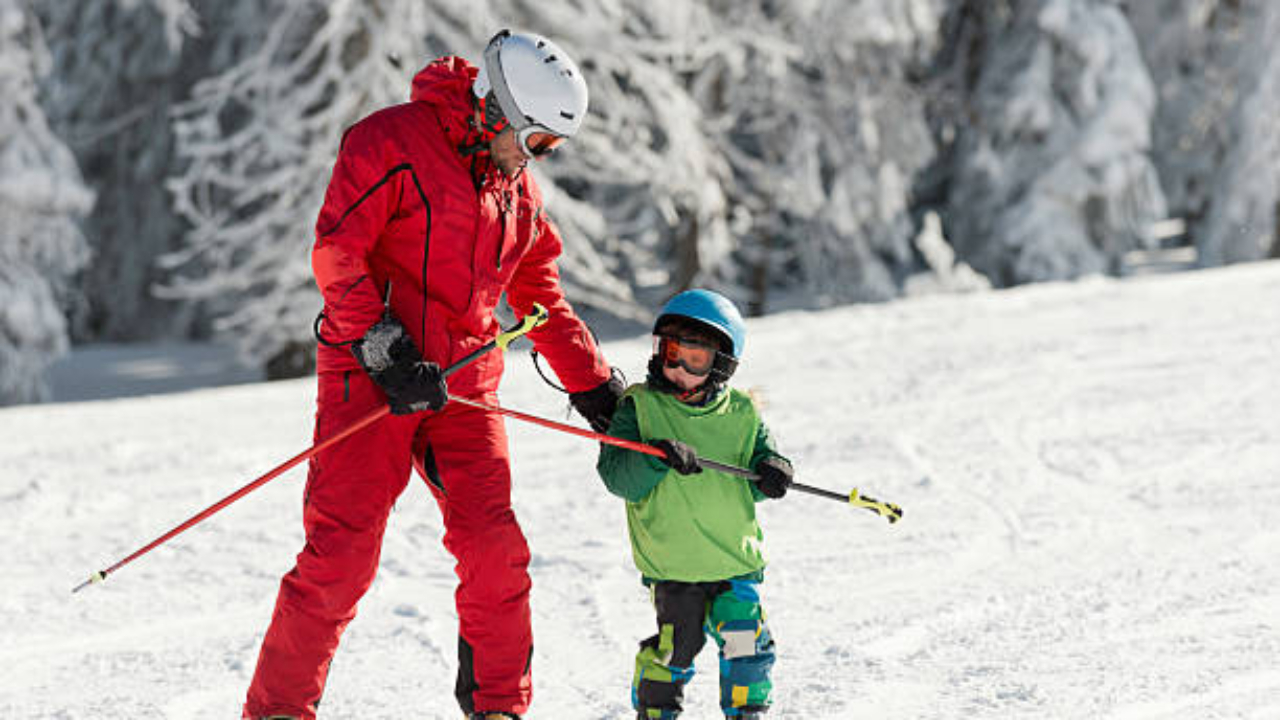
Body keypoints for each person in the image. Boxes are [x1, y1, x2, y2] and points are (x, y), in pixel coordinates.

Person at [242, 30, 624, 720]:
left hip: (465, 386)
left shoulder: (518, 196)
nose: (537, 160)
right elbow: (336, 254)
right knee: (341, 558)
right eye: (535, 140)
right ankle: (277, 711)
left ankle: (499, 708)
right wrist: (385, 347)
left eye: (551, 149)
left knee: (495, 549)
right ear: (496, 110)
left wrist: (593, 386)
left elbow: (541, 299)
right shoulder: (390, 142)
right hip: (371, 374)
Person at [596, 289, 795, 720]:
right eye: (671, 352)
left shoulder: (741, 412)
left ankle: (747, 710)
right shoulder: (640, 407)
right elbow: (618, 478)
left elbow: (759, 475)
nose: (679, 367)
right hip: (674, 567)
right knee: (677, 648)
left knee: (745, 640)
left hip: (733, 561)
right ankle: (656, 709)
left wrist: (775, 470)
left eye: (696, 358)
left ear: (721, 363)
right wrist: (656, 458)